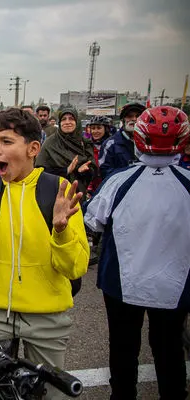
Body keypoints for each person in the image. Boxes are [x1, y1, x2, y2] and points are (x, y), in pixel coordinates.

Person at [0, 107, 89, 399]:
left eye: (6, 141)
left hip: (47, 315)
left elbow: (76, 268)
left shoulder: (58, 189)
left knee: (56, 394)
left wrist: (61, 230)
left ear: (33, 148)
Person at [84, 106, 190, 400]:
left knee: (123, 348)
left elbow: (93, 220)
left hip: (122, 283)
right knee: (169, 350)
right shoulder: (187, 182)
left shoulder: (119, 180)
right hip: (176, 285)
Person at [36, 108, 97, 196]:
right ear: (60, 123)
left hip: (78, 194)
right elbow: (40, 171)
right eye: (64, 119)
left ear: (77, 121)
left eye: (71, 119)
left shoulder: (85, 143)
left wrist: (83, 171)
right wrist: (66, 171)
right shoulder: (50, 143)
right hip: (54, 194)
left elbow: (93, 170)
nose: (67, 122)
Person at [98, 102, 146, 179]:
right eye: (129, 116)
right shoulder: (110, 144)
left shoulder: (151, 143)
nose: (134, 119)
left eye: (138, 116)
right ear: (123, 120)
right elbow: (105, 171)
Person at [85, 115, 112, 196]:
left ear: (106, 129)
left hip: (108, 188)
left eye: (99, 128)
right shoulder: (87, 146)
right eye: (93, 128)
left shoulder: (111, 146)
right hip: (92, 190)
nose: (95, 131)